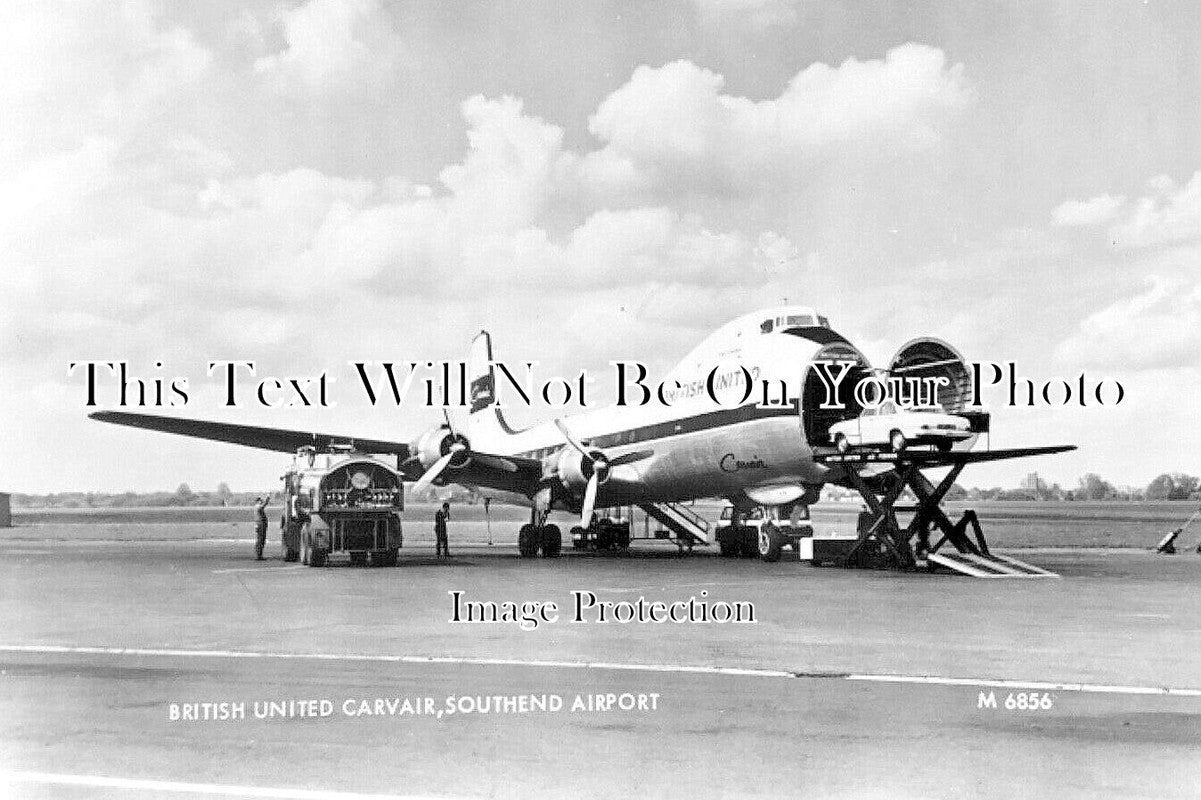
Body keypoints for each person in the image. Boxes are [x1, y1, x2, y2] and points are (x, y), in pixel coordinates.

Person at [254, 495, 269, 560]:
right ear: (258, 501)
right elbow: (263, 506)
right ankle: (259, 556)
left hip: (260, 525)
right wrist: (267, 499)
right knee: (260, 540)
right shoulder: (258, 507)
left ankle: (259, 555)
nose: (261, 501)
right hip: (260, 525)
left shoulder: (256, 507)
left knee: (260, 540)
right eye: (260, 500)